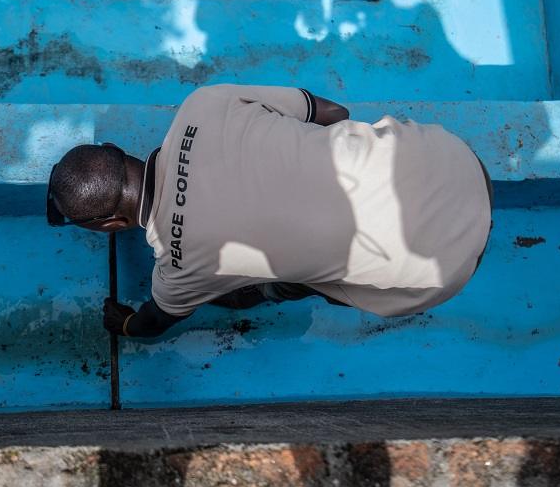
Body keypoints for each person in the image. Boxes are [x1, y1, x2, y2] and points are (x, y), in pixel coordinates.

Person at [46, 85, 493, 338]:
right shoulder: (203, 104)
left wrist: (124, 324)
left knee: (280, 281)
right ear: (113, 149)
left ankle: (272, 290)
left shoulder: (179, 271)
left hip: (445, 269)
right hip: (453, 157)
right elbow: (332, 111)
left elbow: (151, 323)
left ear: (111, 225)